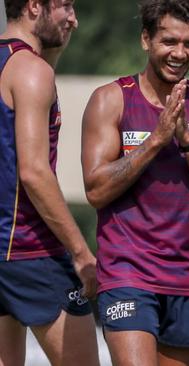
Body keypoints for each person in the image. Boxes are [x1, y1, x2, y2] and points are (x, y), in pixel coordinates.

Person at [80, 0, 189, 365]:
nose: (179, 53)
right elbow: (96, 190)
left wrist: (185, 139)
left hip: (187, 278)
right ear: (146, 39)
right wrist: (156, 139)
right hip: (127, 274)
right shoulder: (111, 99)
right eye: (169, 41)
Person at [0, 1, 100, 366]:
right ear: (33, 6)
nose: (74, 17)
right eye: (65, 6)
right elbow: (34, 172)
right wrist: (80, 252)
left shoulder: (16, 66)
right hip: (29, 249)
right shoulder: (31, 71)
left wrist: (52, 49)